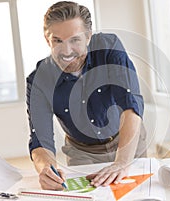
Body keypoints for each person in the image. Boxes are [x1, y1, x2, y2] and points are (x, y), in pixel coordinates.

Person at [26, 1, 147, 191]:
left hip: (126, 141)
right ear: (47, 39)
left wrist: (122, 162)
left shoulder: (109, 48)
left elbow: (131, 105)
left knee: (138, 193)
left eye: (75, 40)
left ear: (88, 36)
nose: (66, 52)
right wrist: (46, 170)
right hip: (81, 151)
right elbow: (40, 140)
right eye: (57, 40)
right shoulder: (38, 80)